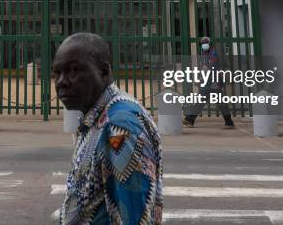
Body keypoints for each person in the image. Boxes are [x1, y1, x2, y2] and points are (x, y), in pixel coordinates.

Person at [54, 33, 163, 225]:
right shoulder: (96, 117)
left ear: (104, 72)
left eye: (73, 70)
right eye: (57, 73)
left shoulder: (118, 126)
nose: (61, 81)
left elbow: (135, 216)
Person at [182, 36, 235, 129]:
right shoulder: (204, 53)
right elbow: (204, 68)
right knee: (211, 102)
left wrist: (202, 79)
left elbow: (211, 69)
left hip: (213, 83)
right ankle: (229, 122)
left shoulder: (213, 54)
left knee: (212, 102)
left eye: (205, 43)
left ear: (209, 44)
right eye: (202, 43)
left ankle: (190, 119)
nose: (204, 44)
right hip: (208, 83)